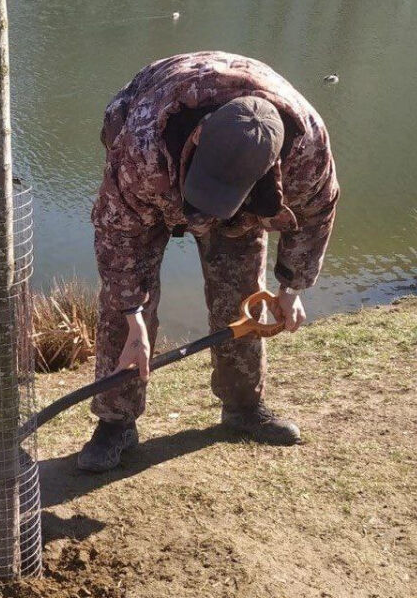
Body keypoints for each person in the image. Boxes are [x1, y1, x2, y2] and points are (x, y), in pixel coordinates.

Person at [79, 51, 339, 472]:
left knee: (242, 295)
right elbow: (118, 236)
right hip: (156, 164)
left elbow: (316, 213)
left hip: (246, 188)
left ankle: (243, 409)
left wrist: (292, 286)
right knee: (124, 314)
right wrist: (133, 318)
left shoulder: (305, 150)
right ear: (198, 140)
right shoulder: (142, 146)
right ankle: (116, 423)